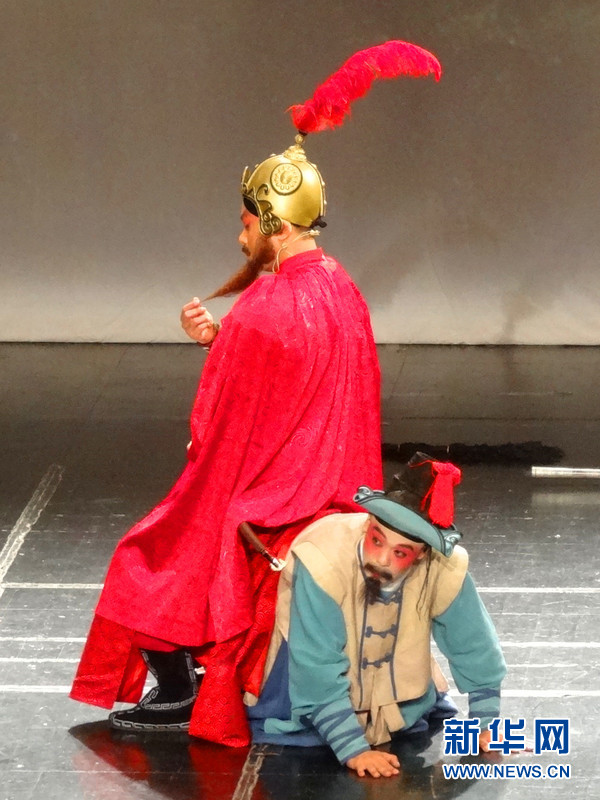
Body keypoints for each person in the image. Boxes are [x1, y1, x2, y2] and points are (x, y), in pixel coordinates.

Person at [70, 39, 442, 748]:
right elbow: (298, 376)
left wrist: (222, 350)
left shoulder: (265, 307)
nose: (239, 237)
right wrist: (223, 340)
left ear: (273, 224)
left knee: (146, 551)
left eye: (245, 224)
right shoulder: (342, 288)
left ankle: (179, 689)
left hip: (277, 498)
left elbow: (220, 430)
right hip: (337, 489)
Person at [246, 453, 506, 778]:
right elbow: (315, 663)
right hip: (306, 699)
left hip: (401, 700)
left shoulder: (443, 566)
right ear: (369, 524)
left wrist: (485, 724)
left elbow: (473, 643)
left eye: (400, 553)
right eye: (376, 540)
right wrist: (354, 750)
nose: (382, 560)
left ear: (422, 555)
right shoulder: (322, 559)